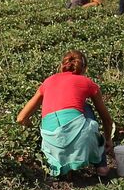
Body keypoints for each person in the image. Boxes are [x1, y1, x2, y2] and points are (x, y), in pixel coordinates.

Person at [16, 50, 116, 179]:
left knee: (55, 117)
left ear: (61, 65)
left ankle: (64, 167)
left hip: (52, 143)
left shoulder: (48, 82)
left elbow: (21, 118)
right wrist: (107, 140)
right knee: (86, 108)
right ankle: (101, 166)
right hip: (80, 137)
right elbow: (106, 119)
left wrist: (33, 130)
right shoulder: (87, 83)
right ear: (84, 68)